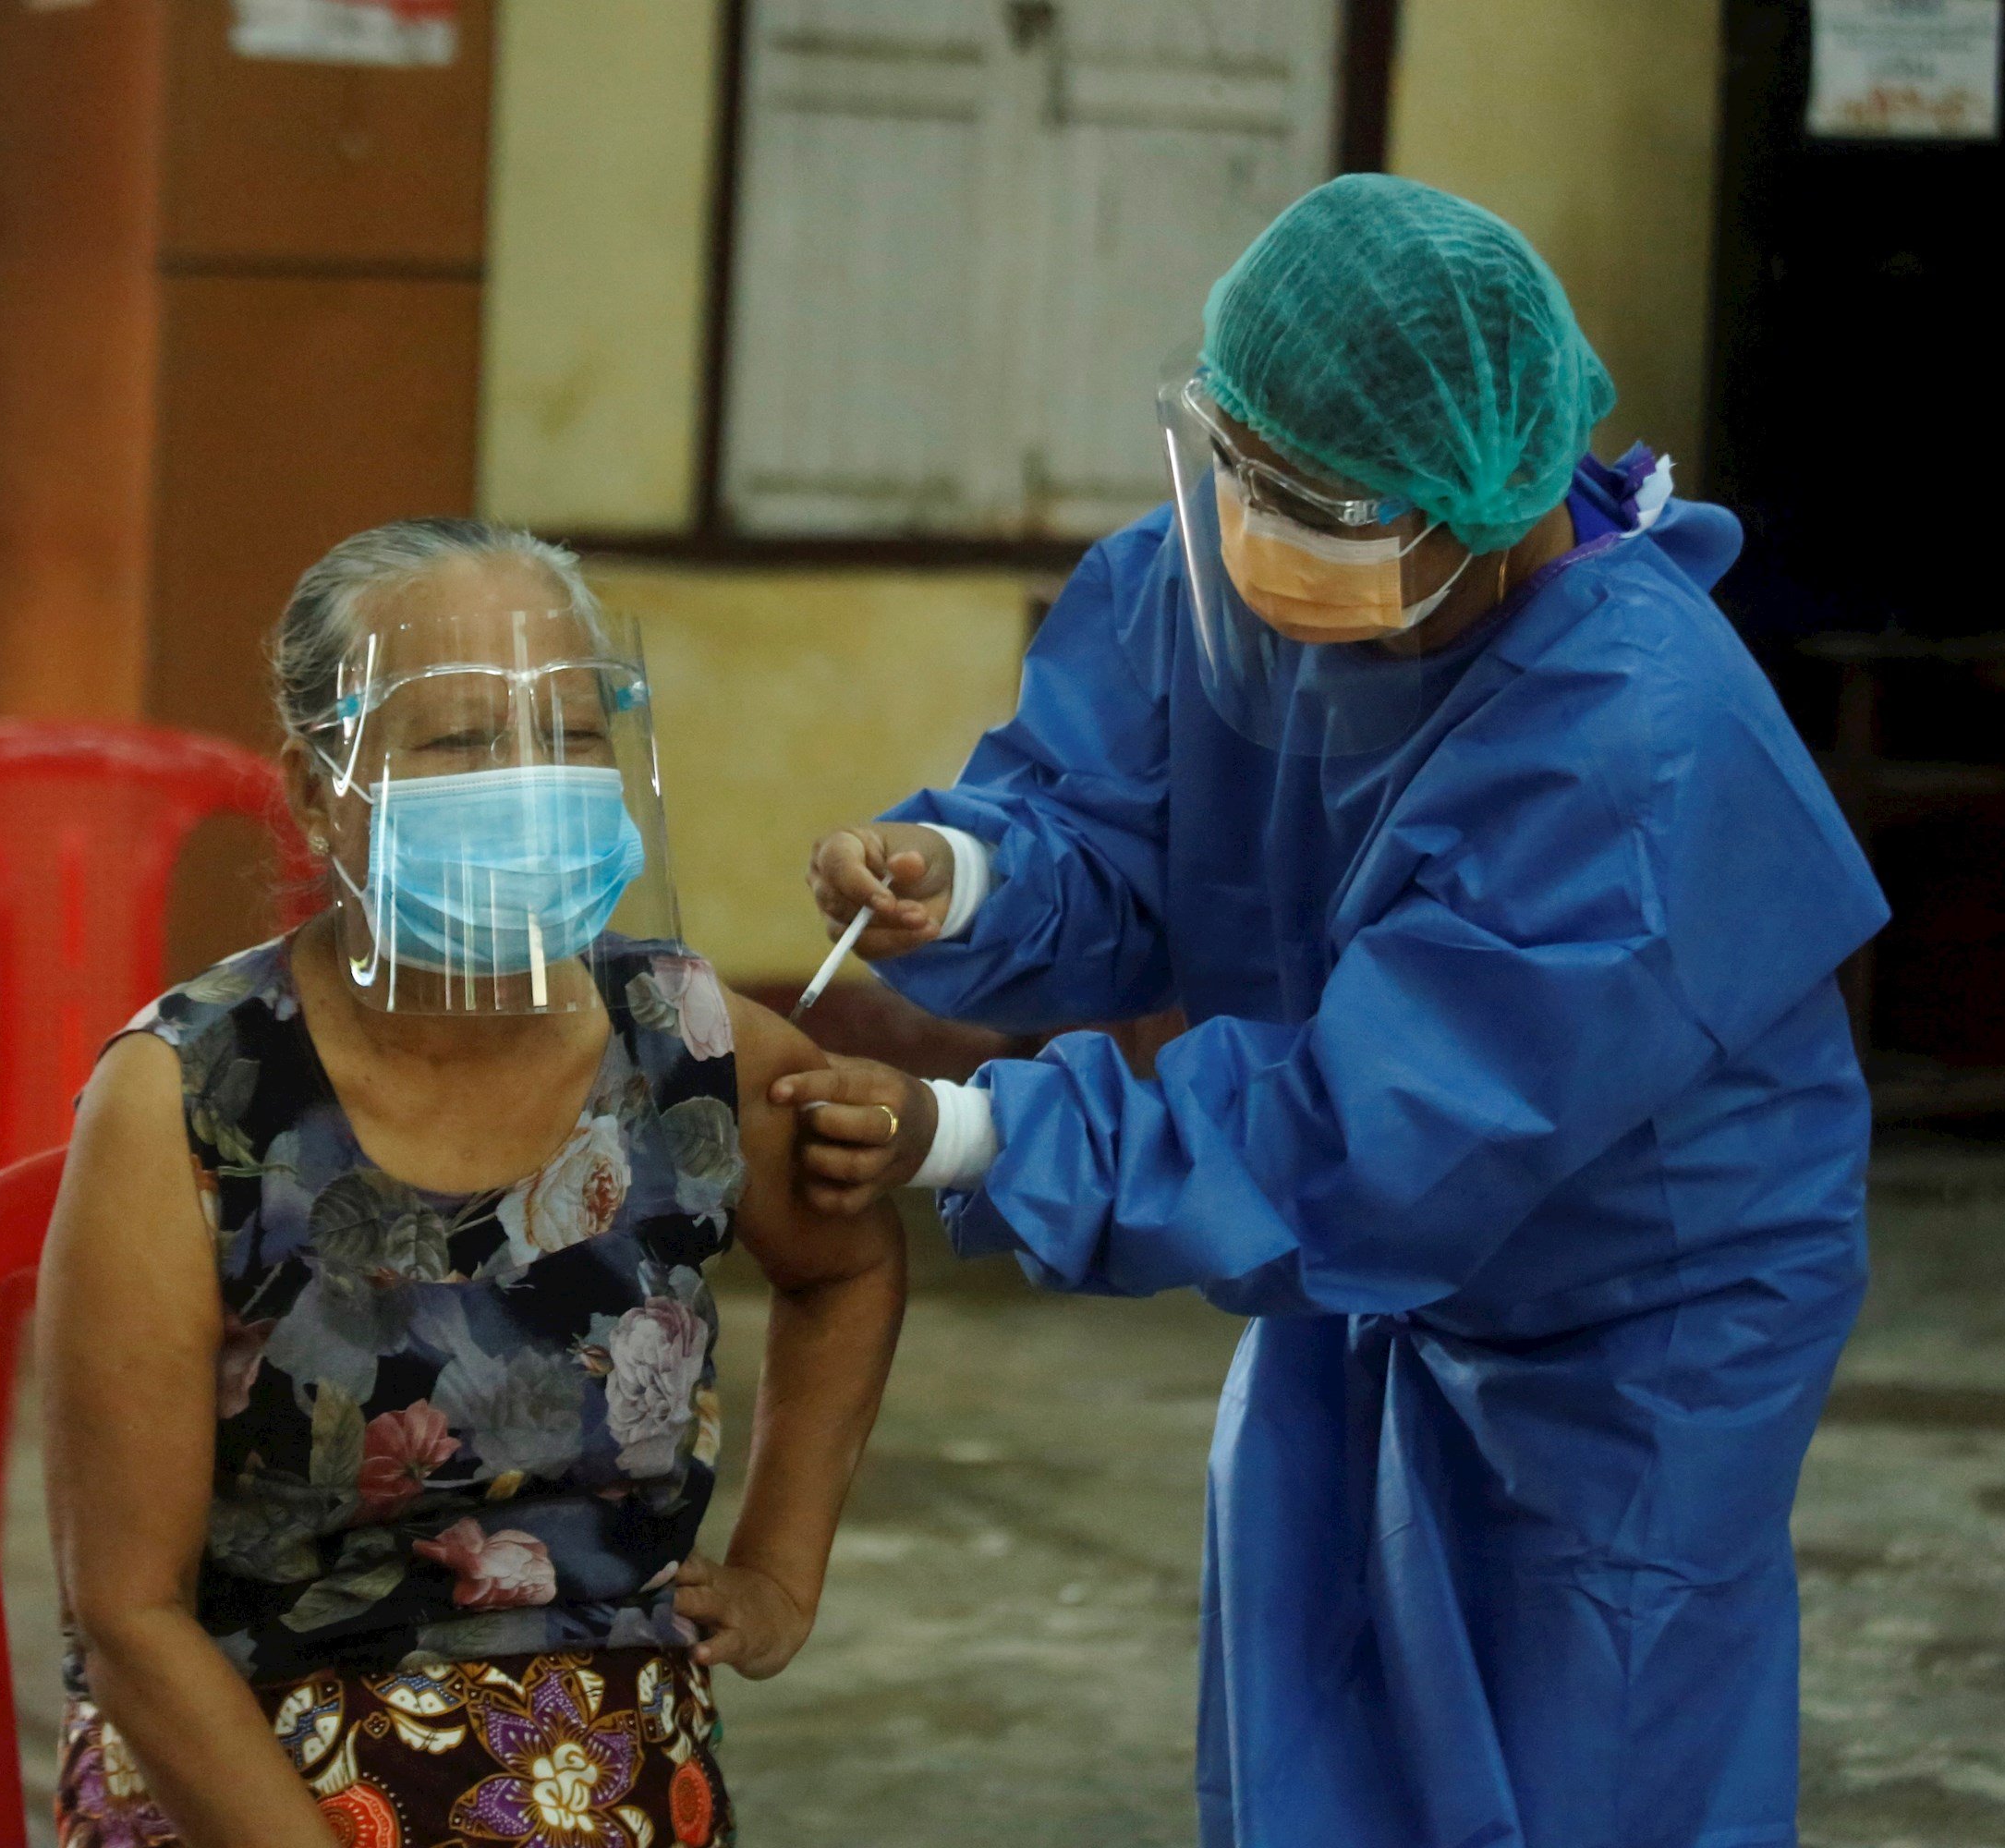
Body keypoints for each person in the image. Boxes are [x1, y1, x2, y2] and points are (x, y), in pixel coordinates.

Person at [778, 175, 1890, 1847]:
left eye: (1311, 499)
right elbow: (1128, 822)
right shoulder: (1256, 565)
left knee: (1594, 1747)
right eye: (1239, 466)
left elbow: (1376, 1133)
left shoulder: (1637, 749)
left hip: (1642, 1305)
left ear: (1476, 498)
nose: (1254, 525)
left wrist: (971, 1128)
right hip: (1366, 1262)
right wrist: (974, 875)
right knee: (1324, 1723)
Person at [37, 519, 905, 1848]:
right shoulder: (192, 1100)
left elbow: (847, 1260)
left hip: (597, 1765)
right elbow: (133, 1618)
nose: (534, 782)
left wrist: (784, 1569)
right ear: (323, 791)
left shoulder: (683, 1046)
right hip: (247, 1743)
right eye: (458, 743)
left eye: (570, 736)